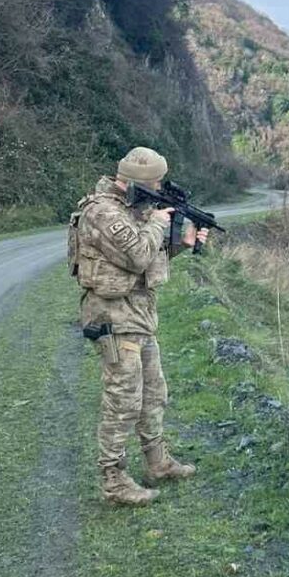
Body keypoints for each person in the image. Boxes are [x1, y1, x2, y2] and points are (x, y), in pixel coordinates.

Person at [71, 146, 208, 506]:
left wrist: (181, 242)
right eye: (157, 182)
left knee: (153, 393)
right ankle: (113, 480)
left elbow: (150, 259)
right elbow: (136, 255)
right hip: (113, 317)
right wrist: (159, 224)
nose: (160, 188)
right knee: (123, 400)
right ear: (141, 182)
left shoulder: (135, 210)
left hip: (139, 316)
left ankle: (157, 461)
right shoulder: (102, 212)